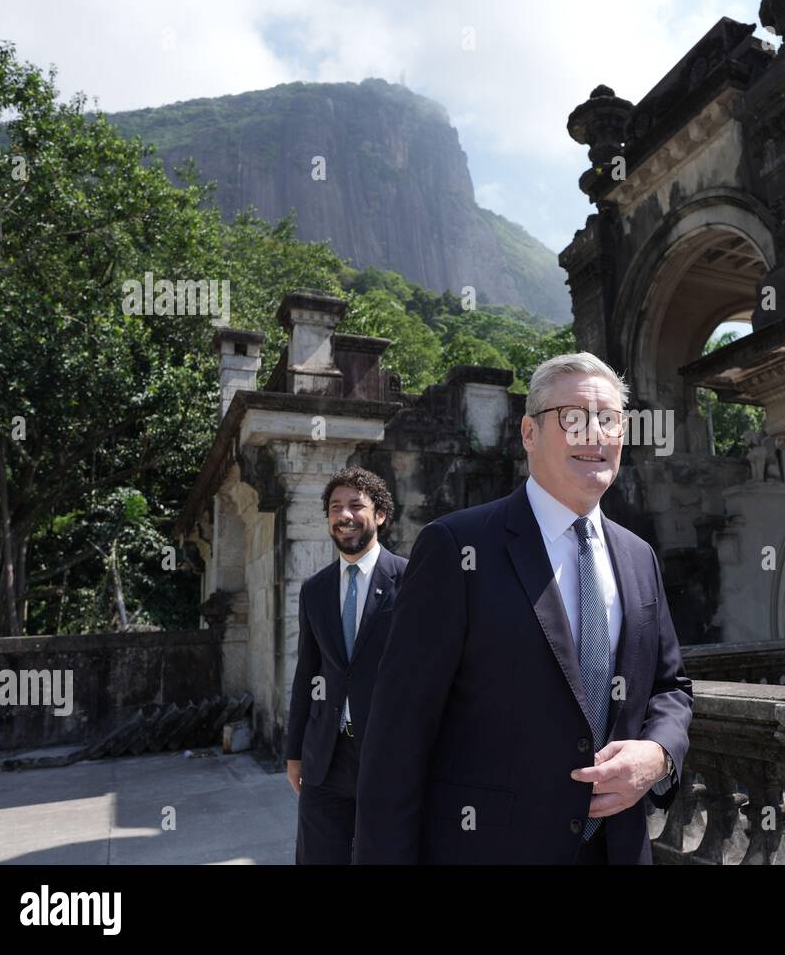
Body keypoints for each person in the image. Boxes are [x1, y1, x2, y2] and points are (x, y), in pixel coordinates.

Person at [355, 353, 693, 864]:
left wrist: (660, 754)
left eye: (609, 419)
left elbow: (671, 687)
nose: (594, 434)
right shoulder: (456, 547)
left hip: (619, 850)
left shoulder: (638, 556)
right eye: (573, 417)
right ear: (529, 433)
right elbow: (397, 736)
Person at [285, 466, 407, 864]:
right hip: (326, 755)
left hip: (389, 753)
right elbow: (307, 673)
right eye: (336, 507)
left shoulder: (411, 580)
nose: (345, 515)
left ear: (381, 514)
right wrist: (294, 752)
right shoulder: (314, 589)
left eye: (356, 505)